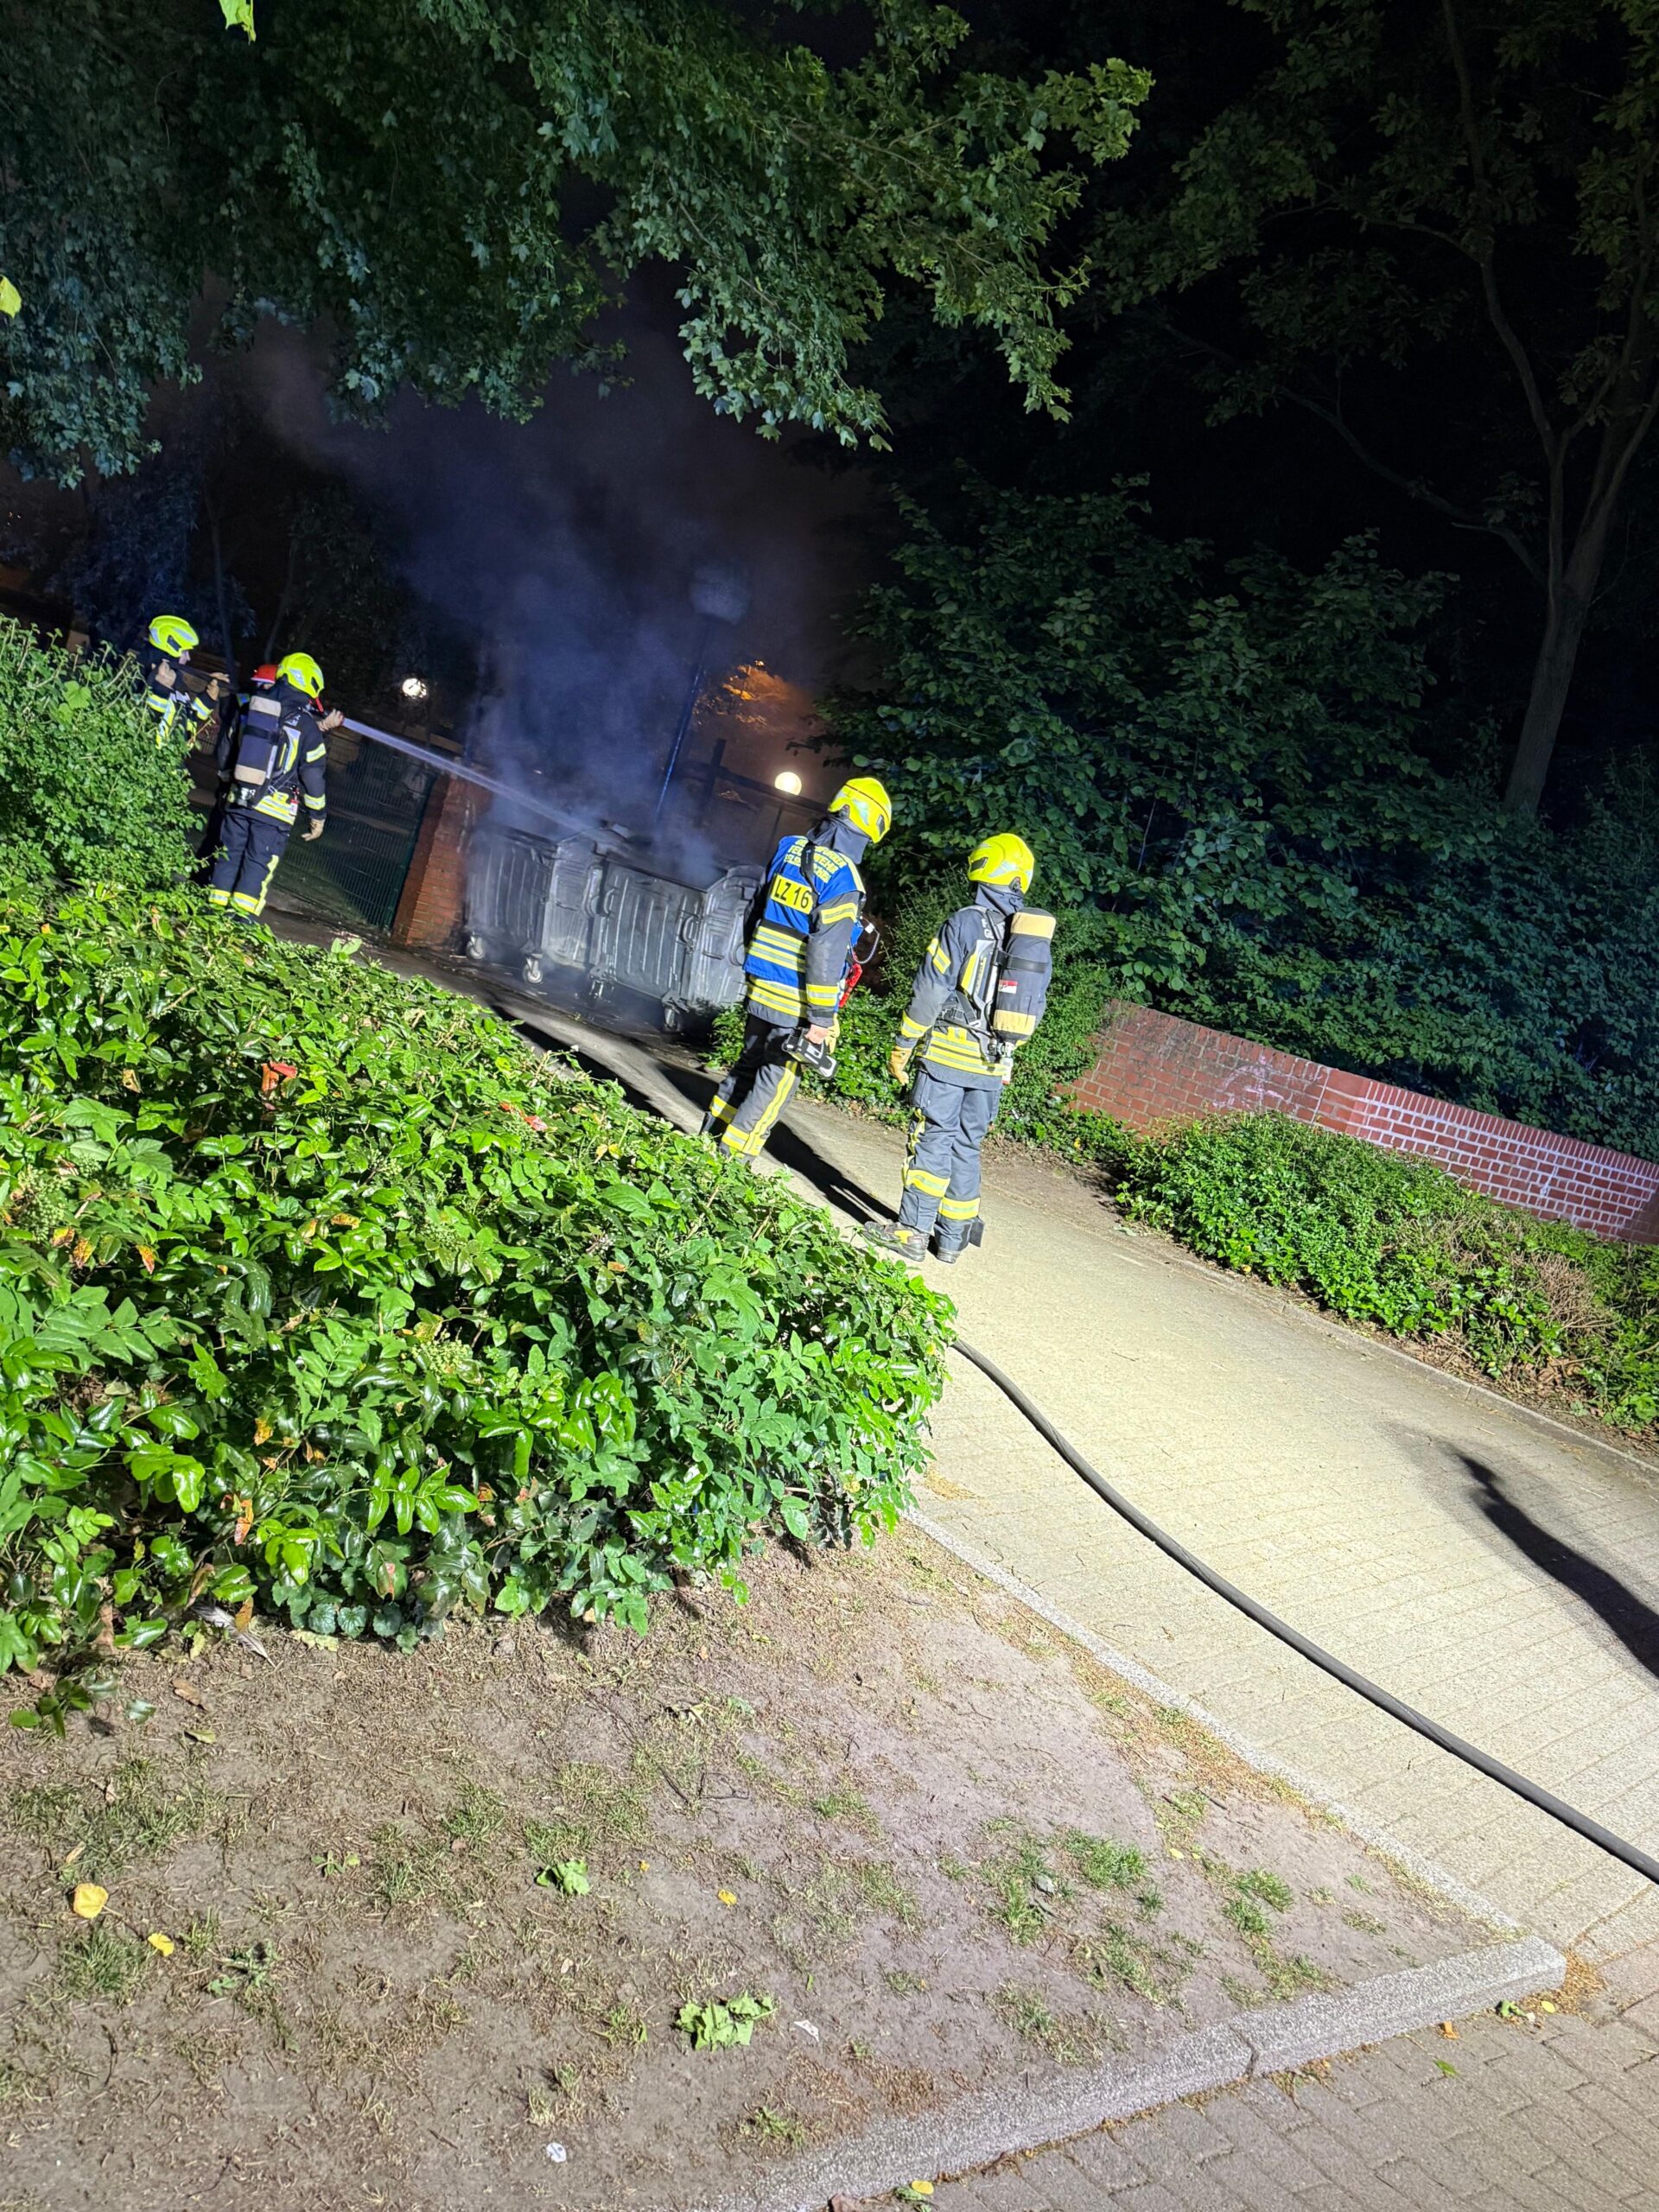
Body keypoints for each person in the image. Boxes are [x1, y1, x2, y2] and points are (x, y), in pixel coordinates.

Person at [863, 833, 1050, 1265]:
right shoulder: (1029, 936)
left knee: (932, 1139)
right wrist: (1008, 1055)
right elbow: (1032, 1003)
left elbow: (931, 988)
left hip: (948, 1056)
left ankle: (911, 1232)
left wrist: (905, 1042)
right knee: (967, 1145)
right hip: (993, 1063)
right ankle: (951, 1241)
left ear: (983, 868)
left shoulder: (966, 922)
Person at [704, 775, 893, 1161]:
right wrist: (821, 1019)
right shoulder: (844, 879)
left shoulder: (789, 848)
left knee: (747, 1065)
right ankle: (732, 1162)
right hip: (797, 995)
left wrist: (753, 960)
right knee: (779, 1078)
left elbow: (755, 908)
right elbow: (826, 951)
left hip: (761, 981)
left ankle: (706, 1141)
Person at [206, 651, 340, 922]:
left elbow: (226, 750)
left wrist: (228, 782)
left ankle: (211, 913)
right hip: (275, 811)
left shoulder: (250, 707)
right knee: (259, 862)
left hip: (240, 797)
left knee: (228, 854)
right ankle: (240, 921)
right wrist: (318, 815)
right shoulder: (307, 726)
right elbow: (313, 775)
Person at [139, 614, 224, 749]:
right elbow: (145, 722)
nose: (188, 658)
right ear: (172, 649)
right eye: (185, 652)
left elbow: (187, 719)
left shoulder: (177, 684)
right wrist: (160, 690)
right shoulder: (144, 680)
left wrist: (208, 698)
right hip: (152, 758)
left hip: (173, 758)